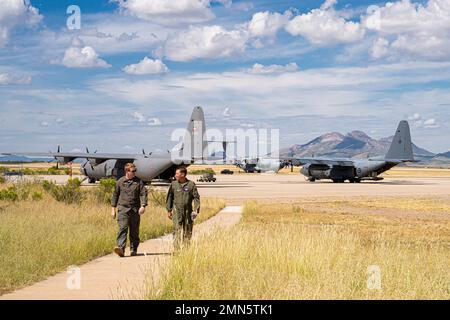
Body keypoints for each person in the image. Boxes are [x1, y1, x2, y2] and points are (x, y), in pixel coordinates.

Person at [111, 163, 147, 257]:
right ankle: (120, 248)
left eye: (135, 171)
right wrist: (113, 209)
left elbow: (143, 194)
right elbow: (115, 195)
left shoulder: (139, 182)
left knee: (134, 231)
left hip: (135, 210)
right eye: (133, 171)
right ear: (127, 171)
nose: (135, 172)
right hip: (123, 209)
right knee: (123, 228)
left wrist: (143, 206)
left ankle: (133, 249)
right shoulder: (120, 181)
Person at [166, 166, 200, 250]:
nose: (175, 175)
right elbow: (169, 197)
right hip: (177, 211)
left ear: (183, 174)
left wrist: (196, 210)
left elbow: (196, 198)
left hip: (188, 211)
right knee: (176, 229)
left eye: (177, 173)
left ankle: (186, 249)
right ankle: (176, 249)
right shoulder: (174, 184)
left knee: (188, 230)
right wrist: (169, 210)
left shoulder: (191, 184)